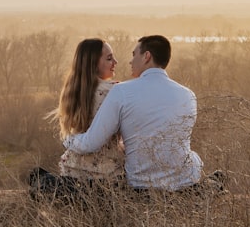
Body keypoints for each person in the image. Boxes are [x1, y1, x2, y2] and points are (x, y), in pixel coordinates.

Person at [62, 35, 204, 191]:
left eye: (134, 54)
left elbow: (90, 142)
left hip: (141, 182)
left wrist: (68, 138)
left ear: (146, 56)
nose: (130, 61)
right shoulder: (188, 95)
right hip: (184, 179)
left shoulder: (121, 92)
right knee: (193, 156)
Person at [29, 38, 124, 198]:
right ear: (93, 64)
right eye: (109, 58)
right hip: (107, 174)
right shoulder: (115, 91)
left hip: (71, 170)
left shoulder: (74, 91)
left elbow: (70, 134)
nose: (115, 61)